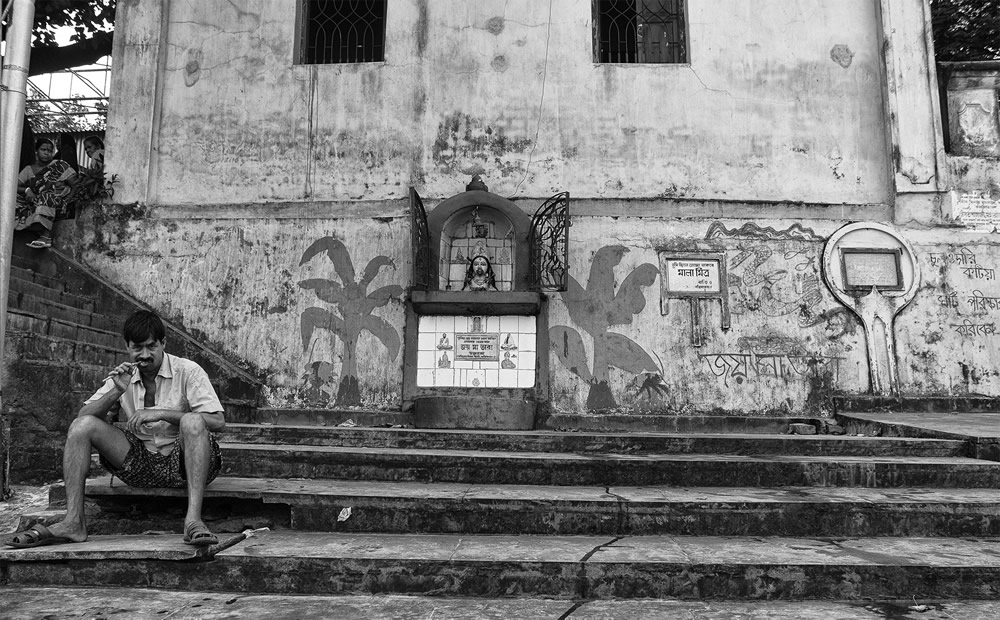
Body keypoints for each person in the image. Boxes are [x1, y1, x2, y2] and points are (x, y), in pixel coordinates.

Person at [5, 310, 226, 548]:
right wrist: (116, 391)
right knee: (82, 426)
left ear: (163, 343)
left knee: (192, 421)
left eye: (151, 346)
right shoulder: (124, 375)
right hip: (142, 463)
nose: (145, 354)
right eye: (137, 348)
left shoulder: (189, 371)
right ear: (127, 347)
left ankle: (193, 521)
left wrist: (161, 412)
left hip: (187, 463)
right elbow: (81, 420)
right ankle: (74, 522)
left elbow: (217, 421)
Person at [16, 138, 77, 249]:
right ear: (36, 151)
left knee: (47, 195)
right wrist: (27, 190)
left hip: (57, 202)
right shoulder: (29, 169)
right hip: (34, 202)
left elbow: (76, 185)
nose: (46, 153)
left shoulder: (59, 166)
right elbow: (14, 186)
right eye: (43, 149)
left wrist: (67, 201)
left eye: (49, 151)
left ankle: (46, 236)